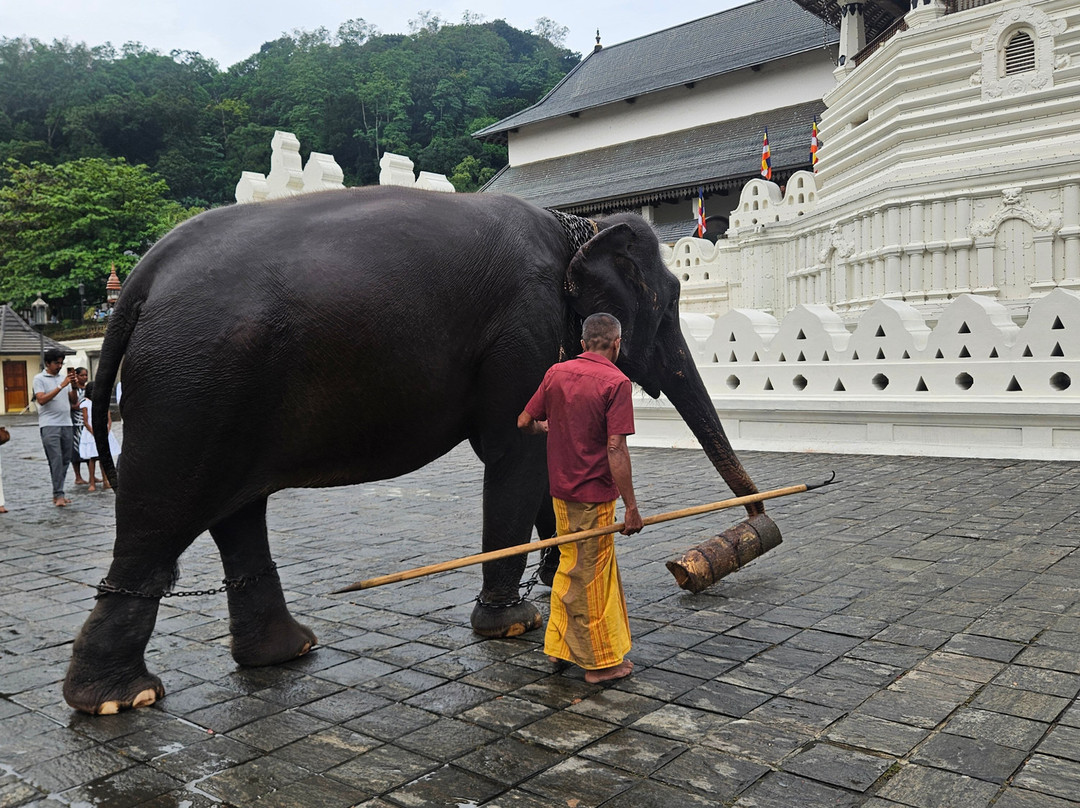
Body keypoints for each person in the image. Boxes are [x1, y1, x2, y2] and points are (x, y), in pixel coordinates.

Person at [517, 312, 643, 684]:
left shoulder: (556, 373)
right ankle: (600, 663)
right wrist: (632, 506)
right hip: (594, 497)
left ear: (584, 343)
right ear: (616, 344)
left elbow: (524, 421)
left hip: (561, 492)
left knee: (571, 566)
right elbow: (616, 447)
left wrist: (543, 427)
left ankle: (560, 647)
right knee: (590, 577)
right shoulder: (616, 382)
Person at [33, 349, 78, 506]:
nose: (59, 366)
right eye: (56, 363)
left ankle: (58, 491)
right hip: (49, 424)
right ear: (47, 363)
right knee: (56, 460)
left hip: (66, 423)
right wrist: (60, 386)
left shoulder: (64, 379)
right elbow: (41, 400)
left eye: (61, 363)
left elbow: (73, 401)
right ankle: (59, 494)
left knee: (66, 459)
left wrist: (73, 386)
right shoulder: (39, 378)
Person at [78, 382, 120, 492]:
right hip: (91, 433)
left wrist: (107, 429)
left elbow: (108, 418)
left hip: (104, 431)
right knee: (92, 458)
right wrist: (94, 433)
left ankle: (106, 480)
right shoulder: (85, 403)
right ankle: (92, 482)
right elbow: (86, 421)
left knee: (103, 458)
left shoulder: (102, 402)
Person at [71, 367, 93, 486]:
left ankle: (92, 475)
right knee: (76, 450)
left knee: (88, 448)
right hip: (76, 422)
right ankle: (78, 476)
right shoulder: (73, 389)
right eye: (82, 375)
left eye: (86, 375)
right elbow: (72, 404)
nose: (84, 377)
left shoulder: (88, 389)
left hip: (88, 423)